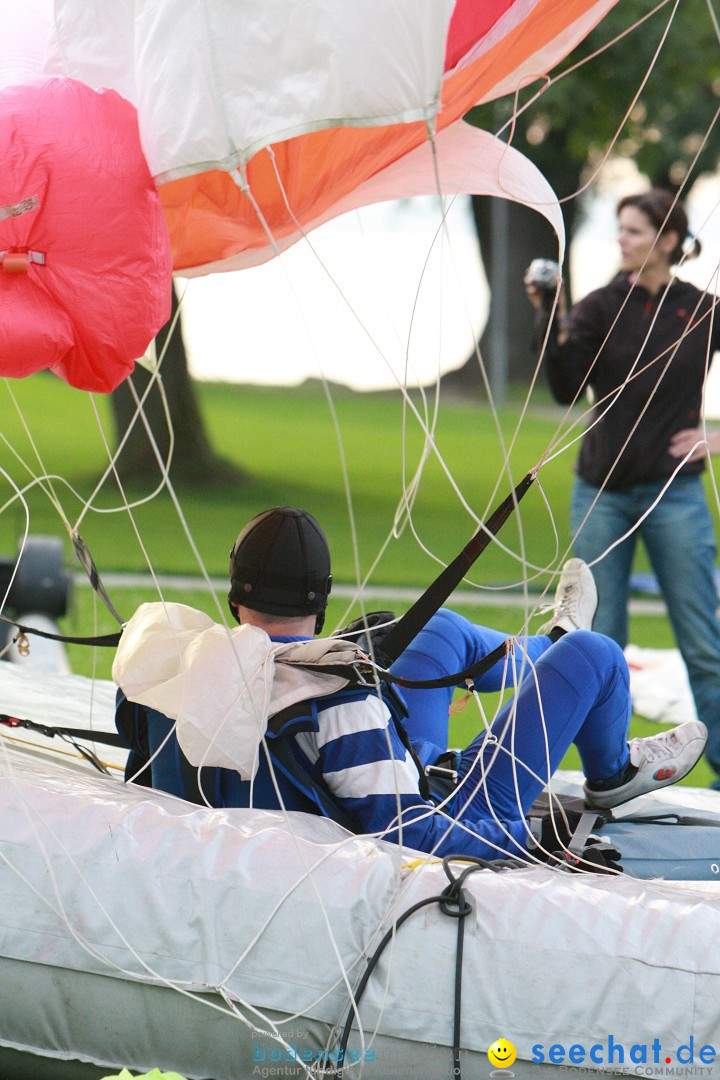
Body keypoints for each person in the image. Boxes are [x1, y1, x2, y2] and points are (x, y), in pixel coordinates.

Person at [115, 506, 707, 868]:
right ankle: (612, 771)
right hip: (457, 809)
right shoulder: (336, 699)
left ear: (235, 595)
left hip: (379, 767)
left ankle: (547, 643)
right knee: (596, 656)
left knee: (439, 630)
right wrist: (528, 839)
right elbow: (408, 831)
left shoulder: (165, 668)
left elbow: (140, 765)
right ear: (319, 604)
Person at [526, 188, 720, 787]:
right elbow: (562, 387)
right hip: (601, 494)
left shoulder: (702, 307)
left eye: (634, 231)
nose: (622, 240)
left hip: (676, 496)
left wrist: (716, 438)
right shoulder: (599, 306)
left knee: (703, 643)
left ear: (667, 240)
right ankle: (608, 774)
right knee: (597, 645)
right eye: (619, 230)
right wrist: (547, 312)